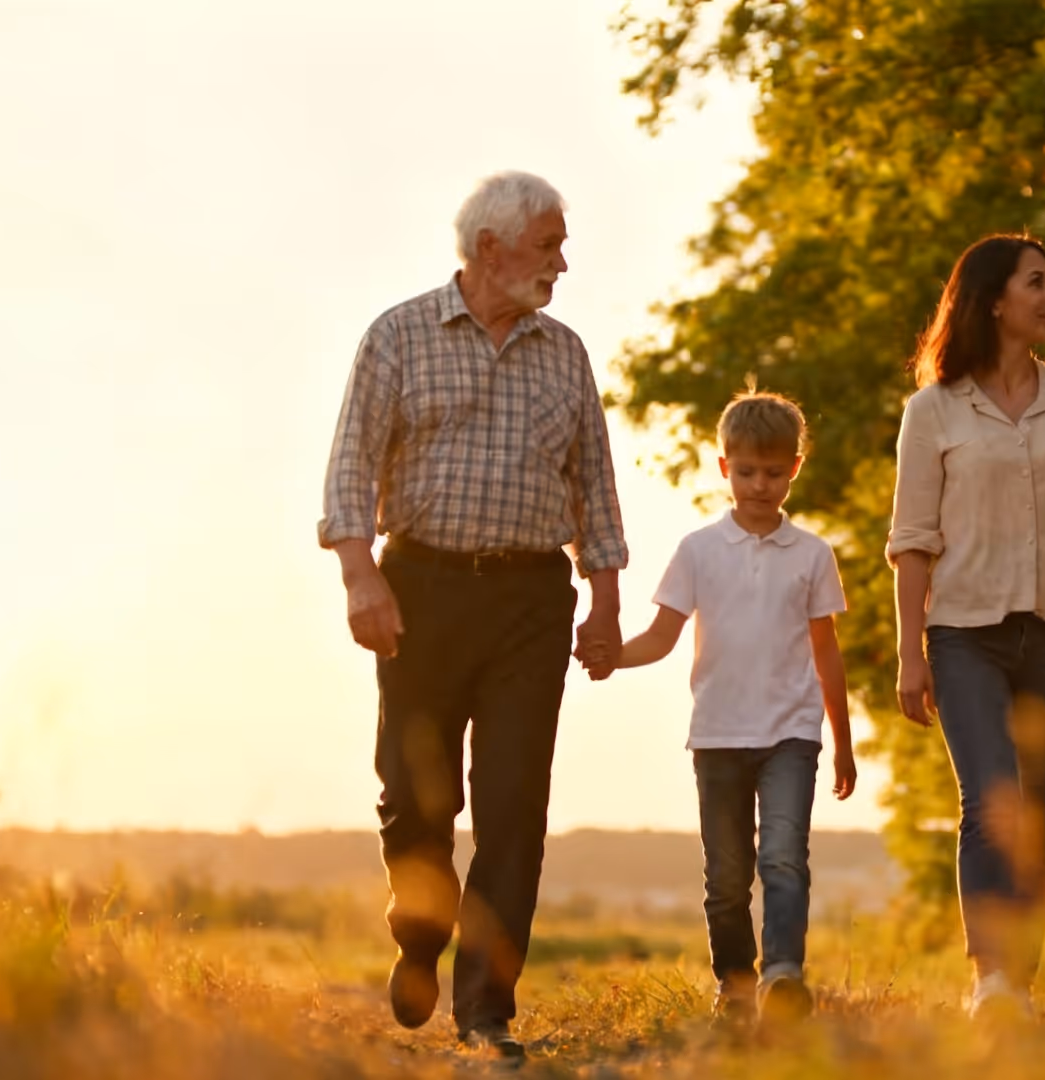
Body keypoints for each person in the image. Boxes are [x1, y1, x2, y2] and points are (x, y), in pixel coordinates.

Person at [318, 171, 627, 1059]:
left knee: (513, 804)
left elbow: (595, 490)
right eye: (549, 244)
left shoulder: (565, 353)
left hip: (531, 598)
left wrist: (602, 604)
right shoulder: (399, 336)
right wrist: (358, 578)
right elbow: (349, 469)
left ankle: (486, 1008)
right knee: (416, 796)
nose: (562, 264)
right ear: (490, 248)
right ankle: (421, 933)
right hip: (421, 588)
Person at [887, 234, 1045, 1018]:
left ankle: (1019, 983)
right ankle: (991, 977)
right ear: (995, 300)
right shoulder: (933, 411)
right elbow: (911, 542)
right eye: (1038, 282)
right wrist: (910, 657)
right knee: (992, 796)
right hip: (965, 634)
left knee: (1043, 811)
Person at [612, 390, 857, 1026]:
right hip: (718, 735)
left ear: (795, 469)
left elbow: (827, 653)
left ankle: (783, 976)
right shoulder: (698, 550)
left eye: (774, 472)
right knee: (726, 875)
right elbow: (662, 636)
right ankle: (735, 983)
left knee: (782, 856)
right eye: (746, 471)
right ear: (724, 468)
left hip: (792, 736)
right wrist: (613, 655)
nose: (759, 485)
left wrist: (844, 741)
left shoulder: (812, 556)